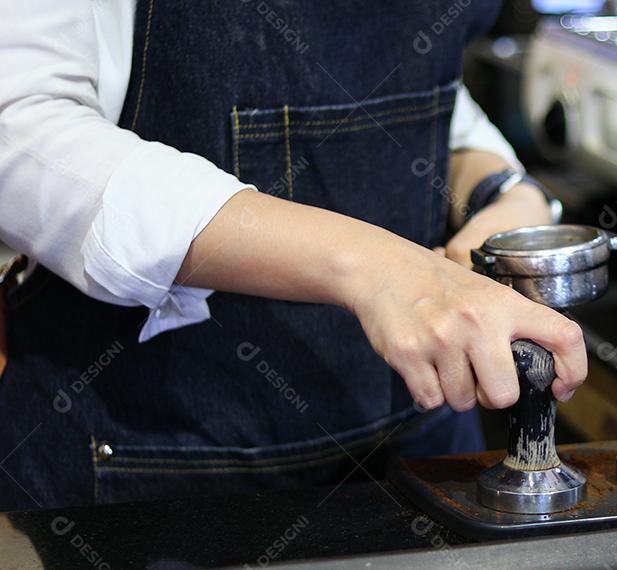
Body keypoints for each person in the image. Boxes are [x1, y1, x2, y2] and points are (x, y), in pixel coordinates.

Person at [0, 1, 587, 511]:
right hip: (156, 465)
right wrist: (377, 269)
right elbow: (22, 128)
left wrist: (506, 191)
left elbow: (411, 89)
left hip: (422, 445)